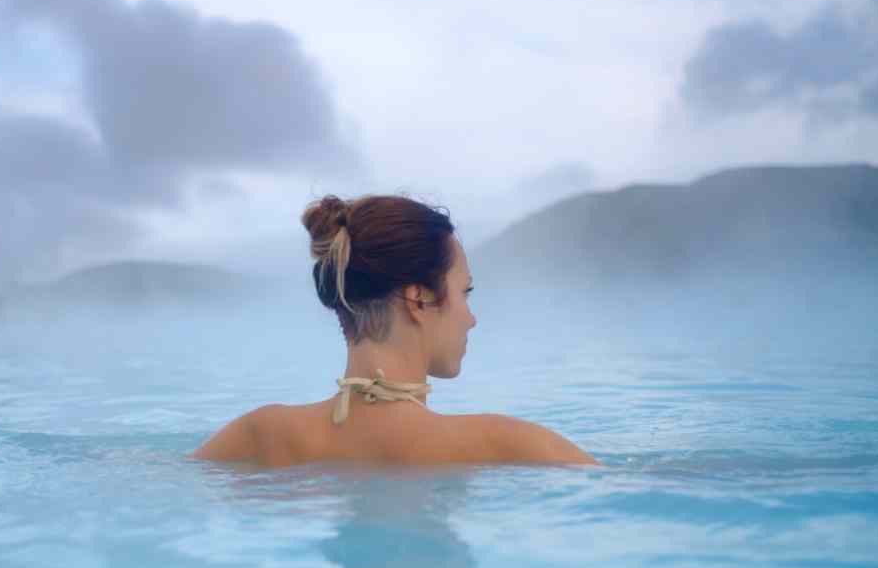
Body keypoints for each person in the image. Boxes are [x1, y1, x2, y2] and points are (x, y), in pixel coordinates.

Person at [193, 194, 597, 467]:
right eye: (464, 292)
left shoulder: (259, 437)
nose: (471, 318)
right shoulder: (509, 447)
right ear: (419, 300)